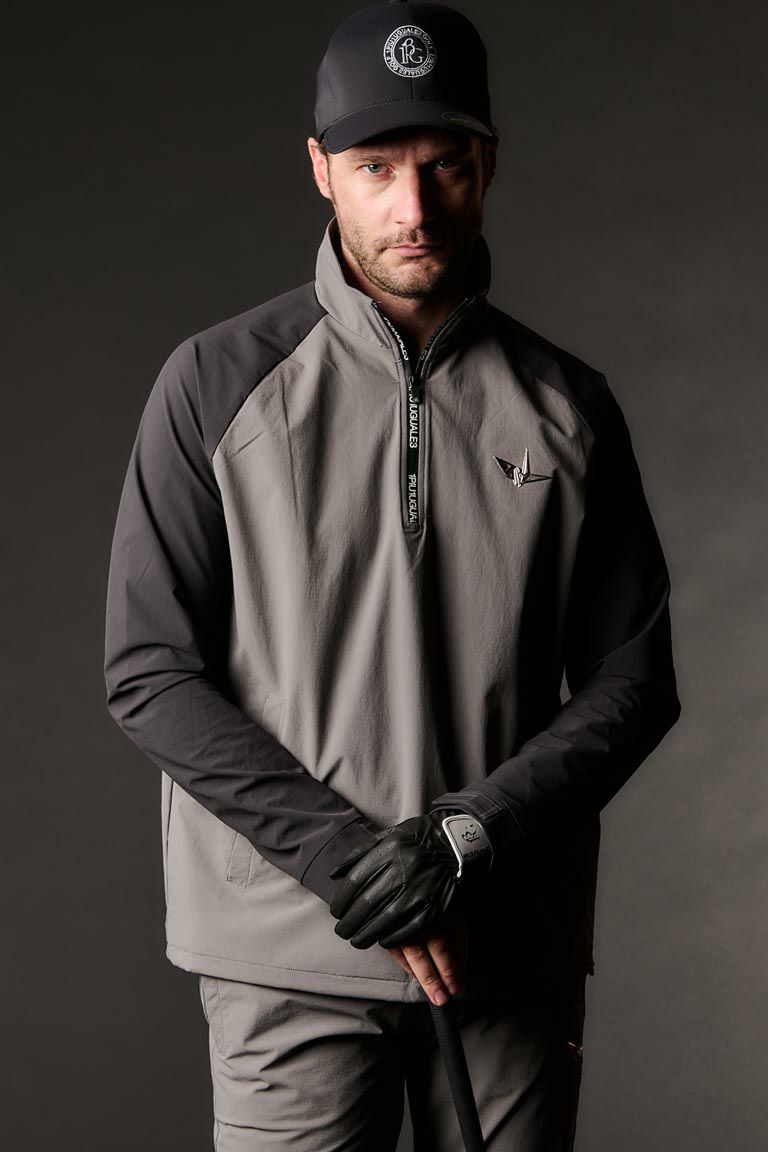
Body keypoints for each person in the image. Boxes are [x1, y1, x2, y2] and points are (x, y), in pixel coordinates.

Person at [103, 2, 681, 1149]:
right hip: (288, 959)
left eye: (444, 165)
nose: (414, 208)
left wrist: (466, 837)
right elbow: (149, 670)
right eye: (376, 168)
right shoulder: (213, 385)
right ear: (322, 169)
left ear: (488, 165)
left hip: (504, 954)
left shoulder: (570, 406)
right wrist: (346, 860)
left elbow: (634, 681)